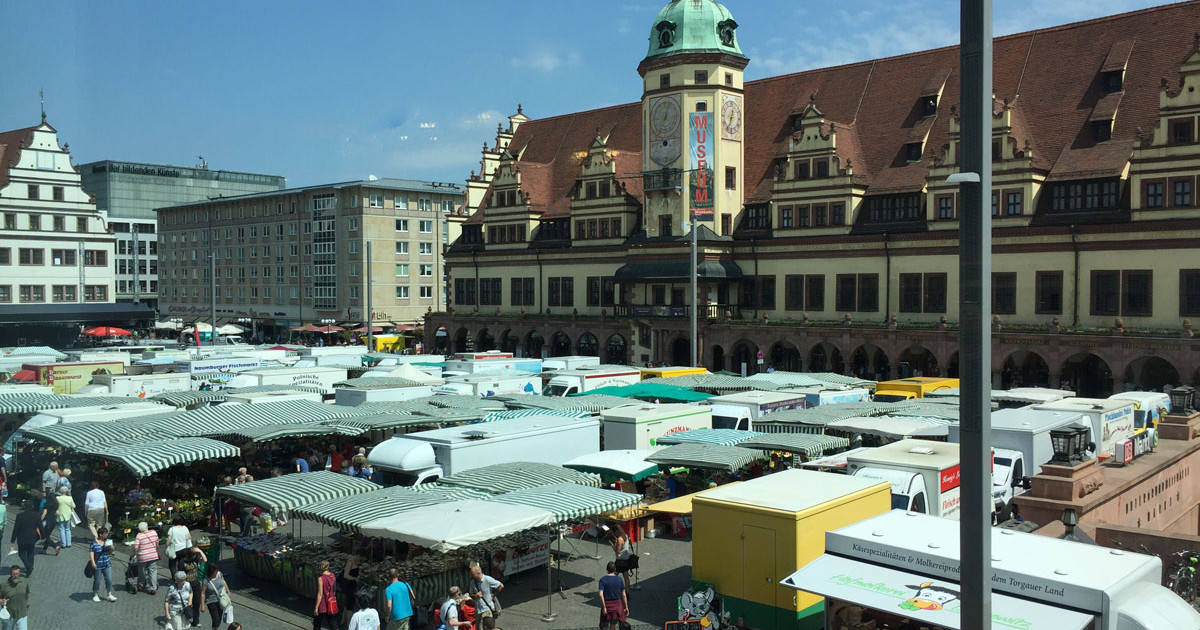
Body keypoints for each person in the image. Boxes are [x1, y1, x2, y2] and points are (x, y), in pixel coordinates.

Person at [178, 545, 208, 627]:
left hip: (195, 584)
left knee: (196, 603)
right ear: (189, 555)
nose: (195, 556)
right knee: (185, 603)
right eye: (194, 554)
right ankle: (184, 619)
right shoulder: (182, 561)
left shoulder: (196, 559)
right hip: (186, 585)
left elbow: (205, 560)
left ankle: (196, 621)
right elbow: (180, 575)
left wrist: (200, 551)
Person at [8, 500, 40, 577]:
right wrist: (43, 536)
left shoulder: (20, 516)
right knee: (30, 553)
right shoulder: (36, 515)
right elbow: (40, 526)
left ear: (24, 506)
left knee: (21, 553)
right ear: (32, 506)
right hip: (32, 537)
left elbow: (16, 528)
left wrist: (13, 538)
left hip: (22, 538)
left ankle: (29, 567)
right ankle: (29, 568)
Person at [199, 562, 231, 630]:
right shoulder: (206, 580)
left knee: (219, 617)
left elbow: (224, 582)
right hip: (211, 601)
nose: (216, 573)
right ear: (211, 572)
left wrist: (228, 591)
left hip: (221, 599)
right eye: (215, 572)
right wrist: (202, 605)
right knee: (215, 619)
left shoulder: (219, 574)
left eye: (217, 571)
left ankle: (215, 628)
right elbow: (203, 593)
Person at [89, 527, 117, 602]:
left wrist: (111, 546)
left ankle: (109, 594)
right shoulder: (94, 542)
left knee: (109, 579)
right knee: (97, 580)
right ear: (101, 534)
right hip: (98, 565)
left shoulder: (107, 541)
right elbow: (91, 552)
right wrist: (93, 562)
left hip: (107, 564)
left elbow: (112, 551)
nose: (107, 535)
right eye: (106, 534)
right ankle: (95, 594)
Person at [131, 521, 160, 594]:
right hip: (153, 555)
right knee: (153, 572)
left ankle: (140, 586)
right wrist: (155, 550)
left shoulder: (139, 536)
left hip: (142, 557)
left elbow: (136, 547)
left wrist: (133, 554)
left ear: (140, 529)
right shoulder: (154, 532)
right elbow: (157, 543)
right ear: (147, 527)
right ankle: (153, 588)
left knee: (142, 572)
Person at [598, 561, 628, 630]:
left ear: (607, 569)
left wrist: (604, 607)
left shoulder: (603, 580)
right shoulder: (619, 580)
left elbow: (600, 595)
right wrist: (626, 606)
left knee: (604, 625)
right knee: (613, 624)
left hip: (607, 606)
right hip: (617, 606)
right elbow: (623, 595)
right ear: (615, 569)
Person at [0, 565, 30, 630]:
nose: (15, 576)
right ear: (10, 574)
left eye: (17, 574)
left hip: (22, 614)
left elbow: (27, 593)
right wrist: (1, 601)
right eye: (13, 574)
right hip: (9, 615)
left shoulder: (24, 583)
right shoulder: (4, 586)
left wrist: (27, 604)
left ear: (19, 573)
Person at [313, 560, 339, 629]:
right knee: (332, 621)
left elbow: (320, 594)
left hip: (323, 604)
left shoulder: (321, 579)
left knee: (317, 623)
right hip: (330, 602)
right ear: (328, 567)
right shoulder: (332, 576)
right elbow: (334, 589)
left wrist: (316, 607)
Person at [339, 553, 362, 628]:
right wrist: (355, 578)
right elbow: (346, 575)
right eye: (359, 556)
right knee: (350, 605)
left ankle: (342, 621)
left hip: (351, 586)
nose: (360, 558)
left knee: (348, 603)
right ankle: (349, 624)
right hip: (349, 587)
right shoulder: (350, 563)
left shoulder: (356, 563)